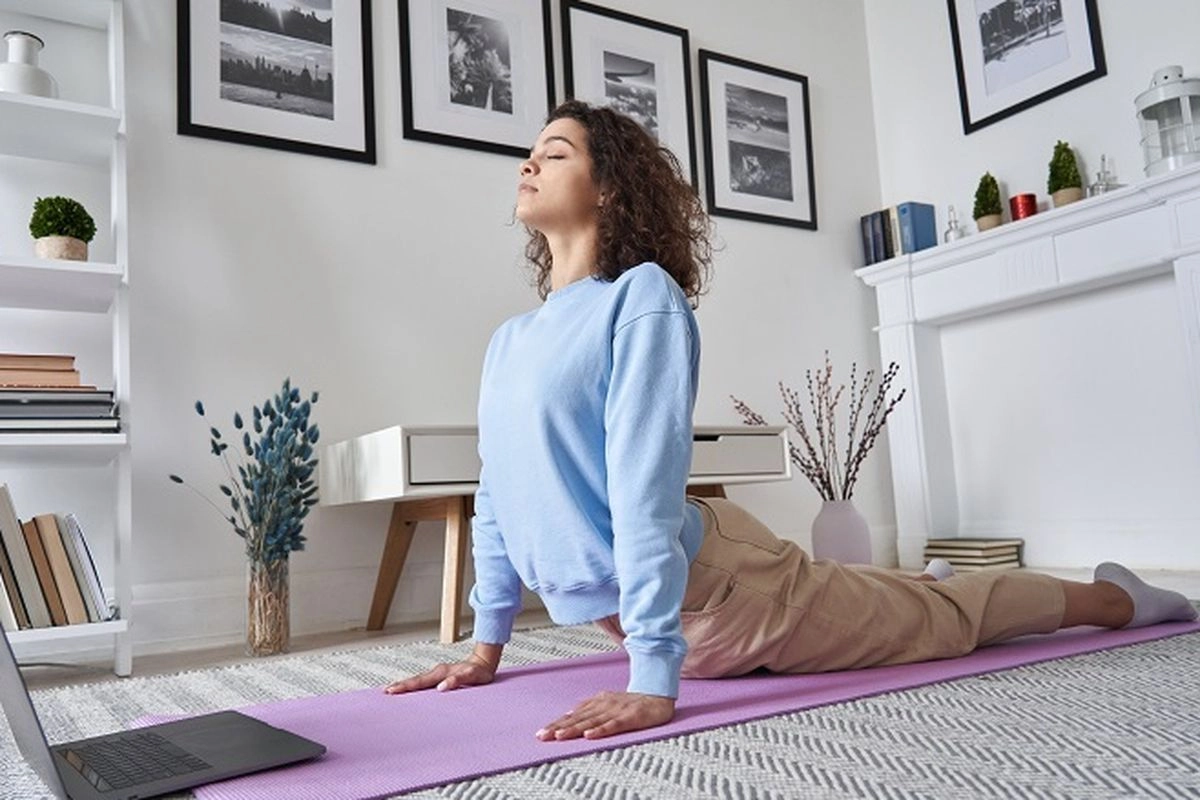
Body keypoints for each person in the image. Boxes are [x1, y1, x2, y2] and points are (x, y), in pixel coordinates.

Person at [384, 100, 1198, 741]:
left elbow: (644, 488)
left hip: (727, 595)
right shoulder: (511, 341)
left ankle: (1114, 600)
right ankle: (916, 580)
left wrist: (654, 677)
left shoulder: (640, 300)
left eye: (556, 152)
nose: (528, 162)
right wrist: (485, 649)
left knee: (943, 624)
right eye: (531, 152)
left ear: (609, 189)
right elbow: (499, 495)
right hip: (682, 587)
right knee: (860, 597)